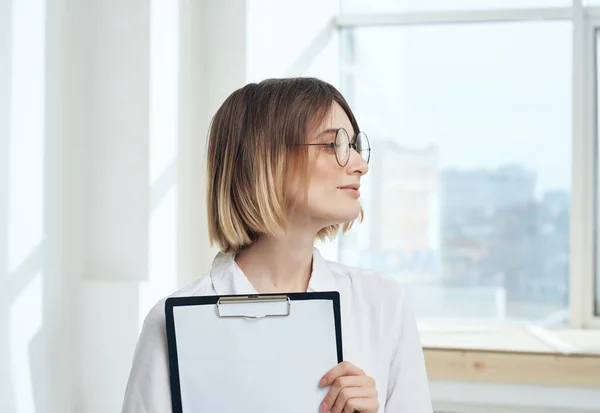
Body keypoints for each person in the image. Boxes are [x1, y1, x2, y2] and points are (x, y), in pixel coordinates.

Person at [121, 77, 433, 413]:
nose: (360, 164)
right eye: (333, 146)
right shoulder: (172, 323)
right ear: (265, 158)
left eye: (355, 145)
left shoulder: (382, 303)